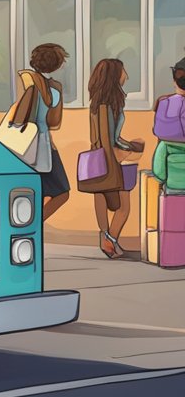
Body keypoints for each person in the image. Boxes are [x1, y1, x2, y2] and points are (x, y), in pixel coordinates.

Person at [82, 59, 144, 259]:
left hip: (98, 157)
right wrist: (130, 147)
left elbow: (105, 137)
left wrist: (127, 144)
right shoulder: (106, 105)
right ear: (114, 75)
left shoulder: (98, 103)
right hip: (111, 158)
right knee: (123, 206)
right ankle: (110, 240)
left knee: (101, 197)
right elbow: (111, 139)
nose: (126, 74)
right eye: (123, 70)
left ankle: (106, 238)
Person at [16, 44, 70, 221]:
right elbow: (54, 121)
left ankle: (29, 222)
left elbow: (18, 119)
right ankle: (35, 223)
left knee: (30, 191)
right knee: (62, 191)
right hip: (44, 146)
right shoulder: (54, 88)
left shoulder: (28, 80)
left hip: (24, 146)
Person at [152, 58, 185, 191]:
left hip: (172, 179)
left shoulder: (164, 103)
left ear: (174, 81)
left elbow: (160, 131)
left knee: (162, 147)